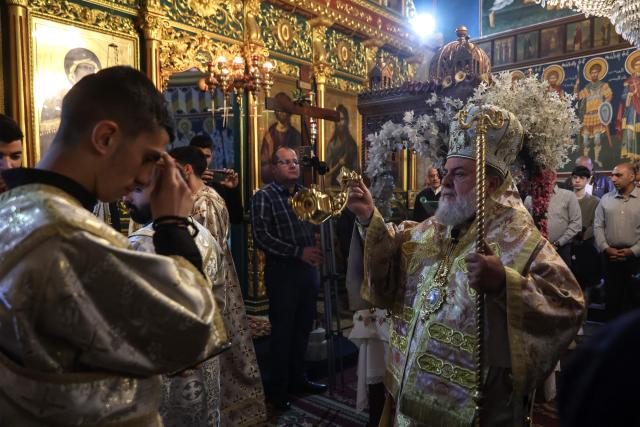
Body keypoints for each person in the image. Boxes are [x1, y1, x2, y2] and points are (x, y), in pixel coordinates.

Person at [0, 66, 228, 425]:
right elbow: (191, 331)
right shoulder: (67, 236)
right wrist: (171, 222)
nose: (145, 177)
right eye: (150, 157)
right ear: (105, 138)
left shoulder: (14, 206)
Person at [346, 106, 584, 425]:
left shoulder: (521, 239)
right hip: (410, 393)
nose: (444, 182)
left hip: (473, 409)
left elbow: (567, 305)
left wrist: (505, 284)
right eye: (445, 171)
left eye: (458, 174)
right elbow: (394, 257)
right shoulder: (437, 226)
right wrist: (367, 218)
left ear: (490, 183)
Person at [169, 146, 267, 426]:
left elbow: (205, 250)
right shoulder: (192, 198)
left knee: (226, 353)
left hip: (215, 285)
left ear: (186, 169)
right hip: (208, 284)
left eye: (172, 166)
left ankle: (231, 412)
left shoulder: (205, 201)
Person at [124, 182, 225, 427]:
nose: (126, 197)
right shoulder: (205, 236)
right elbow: (219, 302)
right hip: (204, 362)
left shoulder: (137, 245)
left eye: (137, 190)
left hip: (161, 373)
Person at [250, 146, 327, 410]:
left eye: (296, 162)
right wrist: (298, 252)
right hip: (283, 273)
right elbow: (262, 236)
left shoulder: (307, 195)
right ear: (273, 168)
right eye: (286, 162)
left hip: (308, 272)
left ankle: (299, 379)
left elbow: (316, 227)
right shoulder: (265, 197)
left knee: (303, 329)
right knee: (283, 333)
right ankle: (278, 389)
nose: (293, 166)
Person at [594, 162, 640, 320]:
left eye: (618, 175)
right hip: (610, 258)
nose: (613, 179)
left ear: (632, 177)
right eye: (612, 175)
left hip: (635, 260)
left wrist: (633, 251)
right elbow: (598, 226)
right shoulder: (605, 199)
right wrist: (606, 248)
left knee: (635, 301)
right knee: (612, 302)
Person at [40, 47, 102, 155]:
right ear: (73, 74)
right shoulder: (55, 100)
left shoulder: (99, 101)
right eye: (85, 67)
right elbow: (48, 139)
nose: (89, 71)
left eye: (92, 68)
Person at [190, 134, 243, 224]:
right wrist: (196, 181)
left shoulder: (218, 184)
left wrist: (232, 190)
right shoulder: (182, 181)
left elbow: (236, 218)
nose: (204, 160)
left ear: (212, 156)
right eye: (200, 156)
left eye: (207, 156)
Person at [574, 60, 613, 167]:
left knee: (597, 139)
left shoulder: (603, 85)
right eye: (592, 73)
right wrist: (576, 86)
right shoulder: (587, 88)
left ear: (599, 73)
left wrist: (604, 105)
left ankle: (596, 159)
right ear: (590, 74)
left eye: (596, 72)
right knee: (585, 141)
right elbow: (577, 96)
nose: (594, 74)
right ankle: (585, 163)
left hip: (598, 115)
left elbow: (609, 95)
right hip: (587, 116)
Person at [570, 165, 602, 291]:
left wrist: (581, 235)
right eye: (575, 177)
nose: (577, 181)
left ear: (588, 180)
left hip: (586, 247)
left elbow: (596, 224)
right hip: (566, 246)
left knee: (584, 286)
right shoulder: (563, 199)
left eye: (582, 178)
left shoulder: (595, 201)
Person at [260, 93, 302, 183]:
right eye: (279, 109)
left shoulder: (295, 135)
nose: (281, 113)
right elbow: (263, 164)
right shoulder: (269, 135)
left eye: (284, 110)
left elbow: (299, 162)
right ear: (275, 112)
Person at [547, 176, 582, 267]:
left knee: (562, 280)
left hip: (561, 249)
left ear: (553, 176)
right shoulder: (530, 197)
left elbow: (576, 224)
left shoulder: (568, 196)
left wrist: (558, 243)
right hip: (537, 251)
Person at [326, 104, 359, 186]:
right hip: (334, 186)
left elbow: (357, 169)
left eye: (343, 119)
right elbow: (326, 171)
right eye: (338, 120)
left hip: (349, 187)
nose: (341, 123)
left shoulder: (352, 144)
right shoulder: (332, 144)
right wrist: (339, 164)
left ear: (347, 121)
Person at [619, 55, 640, 161]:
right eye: (636, 64)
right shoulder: (629, 81)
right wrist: (631, 94)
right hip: (632, 109)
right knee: (630, 133)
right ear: (633, 67)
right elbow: (623, 96)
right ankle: (632, 156)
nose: (638, 66)